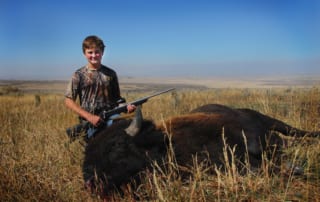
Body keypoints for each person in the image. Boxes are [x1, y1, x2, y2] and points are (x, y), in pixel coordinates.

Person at [65, 35, 135, 140]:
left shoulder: (111, 74)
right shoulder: (78, 75)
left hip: (111, 118)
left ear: (102, 52)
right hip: (90, 122)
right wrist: (89, 117)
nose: (94, 55)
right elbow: (68, 100)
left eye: (97, 52)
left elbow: (117, 99)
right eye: (90, 52)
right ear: (84, 53)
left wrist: (126, 107)